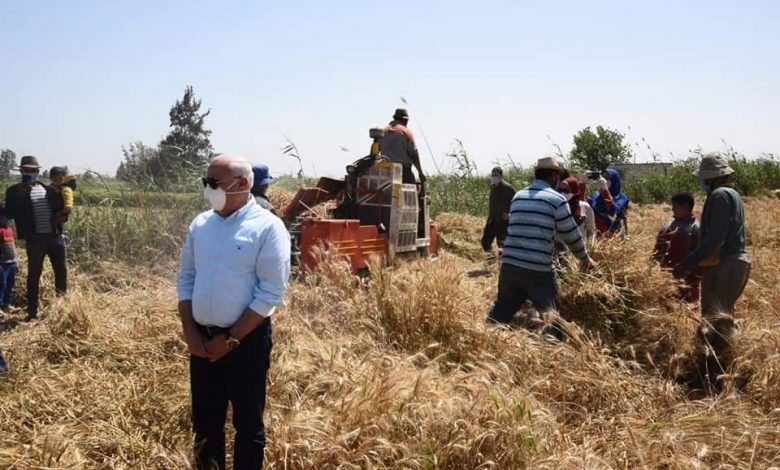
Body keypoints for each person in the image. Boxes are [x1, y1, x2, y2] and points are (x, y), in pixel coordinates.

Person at [177, 154, 291, 470]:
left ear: (242, 184)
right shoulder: (201, 225)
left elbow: (271, 292)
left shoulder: (268, 228)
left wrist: (230, 339)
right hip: (201, 341)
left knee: (248, 426)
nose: (207, 190)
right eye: (205, 182)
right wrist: (191, 332)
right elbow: (187, 278)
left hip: (246, 344)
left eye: (213, 183)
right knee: (205, 425)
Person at [487, 157, 597, 326]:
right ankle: (554, 346)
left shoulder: (518, 196)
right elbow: (571, 235)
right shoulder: (556, 200)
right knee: (552, 317)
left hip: (509, 265)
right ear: (554, 177)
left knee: (500, 313)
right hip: (537, 269)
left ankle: (483, 341)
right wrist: (585, 258)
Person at [673, 153, 750, 382]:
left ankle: (717, 373)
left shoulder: (719, 196)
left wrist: (687, 262)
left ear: (711, 178)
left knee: (716, 321)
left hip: (725, 264)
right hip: (735, 262)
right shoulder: (733, 194)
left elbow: (715, 238)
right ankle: (723, 369)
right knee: (722, 318)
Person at [4, 156, 66, 320]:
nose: (30, 173)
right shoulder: (14, 192)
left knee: (61, 272)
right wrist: (21, 193)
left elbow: (62, 211)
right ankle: (32, 312)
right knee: (34, 275)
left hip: (55, 238)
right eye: (27, 170)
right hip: (35, 240)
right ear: (21, 171)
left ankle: (63, 309)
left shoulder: (50, 190)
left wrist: (63, 217)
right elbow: (9, 213)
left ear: (38, 172)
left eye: (33, 170)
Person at [653, 192, 701, 302]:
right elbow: (659, 244)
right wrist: (654, 259)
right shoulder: (669, 223)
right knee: (666, 301)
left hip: (686, 276)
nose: (673, 209)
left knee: (687, 304)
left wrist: (696, 275)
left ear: (686, 207)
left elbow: (699, 254)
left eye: (675, 207)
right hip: (666, 273)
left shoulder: (695, 228)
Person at [381, 108, 426, 184]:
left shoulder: (383, 131)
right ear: (405, 120)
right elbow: (413, 154)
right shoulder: (406, 132)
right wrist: (420, 172)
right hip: (403, 172)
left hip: (385, 171)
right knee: (411, 191)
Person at [481, 166, 515, 254]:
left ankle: (500, 265)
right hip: (492, 219)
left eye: (496, 175)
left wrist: (509, 214)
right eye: (492, 175)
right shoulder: (493, 188)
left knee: (502, 245)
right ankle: (491, 260)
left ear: (501, 176)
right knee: (485, 242)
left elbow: (516, 200)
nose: (494, 177)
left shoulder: (507, 188)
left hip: (503, 221)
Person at [589, 168, 629, 236]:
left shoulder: (622, 197)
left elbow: (613, 211)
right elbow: (583, 207)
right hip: (596, 235)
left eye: (607, 178)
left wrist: (605, 191)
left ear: (614, 180)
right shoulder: (595, 195)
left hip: (612, 236)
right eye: (602, 177)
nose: (604, 180)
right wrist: (582, 183)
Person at [0, 204, 19, 311]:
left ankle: (6, 305)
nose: (6, 220)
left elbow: (13, 247)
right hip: (2, 264)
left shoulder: (9, 230)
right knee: (1, 285)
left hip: (11, 262)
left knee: (10, 285)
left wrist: (16, 262)